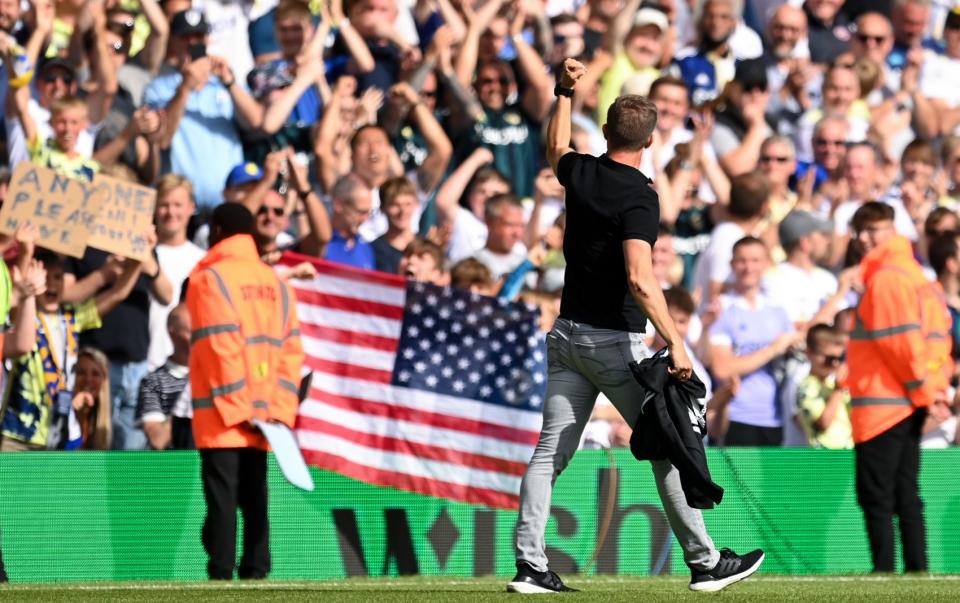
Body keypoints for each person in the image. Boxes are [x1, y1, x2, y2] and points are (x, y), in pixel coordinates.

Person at [509, 58, 763, 595]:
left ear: (606, 133)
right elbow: (641, 279)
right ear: (650, 143)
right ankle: (704, 562)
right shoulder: (640, 195)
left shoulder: (580, 171)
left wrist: (563, 92)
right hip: (613, 343)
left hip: (566, 335)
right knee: (668, 445)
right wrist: (676, 343)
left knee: (549, 453)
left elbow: (557, 149)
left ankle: (530, 566)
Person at [187, 203, 304, 580]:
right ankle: (256, 570)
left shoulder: (210, 279)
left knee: (222, 498)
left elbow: (219, 346)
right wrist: (276, 411)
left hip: (224, 413)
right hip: (266, 413)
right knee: (255, 496)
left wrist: (240, 409)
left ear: (218, 230)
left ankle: (221, 572)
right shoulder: (277, 284)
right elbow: (290, 353)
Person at [846, 201, 954, 574]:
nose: (863, 239)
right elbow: (935, 342)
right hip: (905, 399)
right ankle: (915, 570)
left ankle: (885, 572)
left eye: (873, 230)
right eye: (859, 231)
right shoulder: (915, 276)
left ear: (892, 230)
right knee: (905, 492)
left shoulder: (887, 277)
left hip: (886, 403)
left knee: (877, 494)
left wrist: (922, 390)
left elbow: (900, 343)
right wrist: (932, 390)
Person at [138, 303, 194, 450]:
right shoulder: (154, 382)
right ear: (172, 333)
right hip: (174, 468)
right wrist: (188, 396)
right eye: (191, 332)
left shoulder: (214, 377)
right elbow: (158, 440)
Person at [795, 323, 853, 449]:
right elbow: (823, 423)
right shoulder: (806, 387)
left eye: (839, 358)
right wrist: (838, 389)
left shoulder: (834, 384)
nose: (835, 363)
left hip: (847, 453)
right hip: (824, 460)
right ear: (809, 353)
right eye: (829, 358)